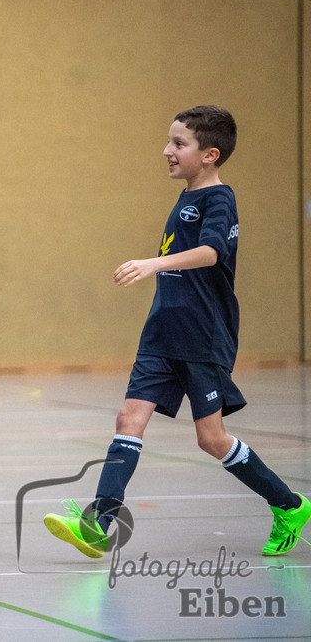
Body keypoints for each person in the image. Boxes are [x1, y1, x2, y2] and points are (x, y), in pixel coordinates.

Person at [43, 105, 309, 559]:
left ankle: (289, 505)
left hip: (202, 337)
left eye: (179, 144)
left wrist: (154, 263)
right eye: (169, 141)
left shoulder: (219, 199)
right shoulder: (186, 195)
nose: (167, 151)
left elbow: (209, 252)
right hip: (161, 334)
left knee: (211, 440)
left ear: (210, 154)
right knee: (128, 420)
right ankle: (98, 525)